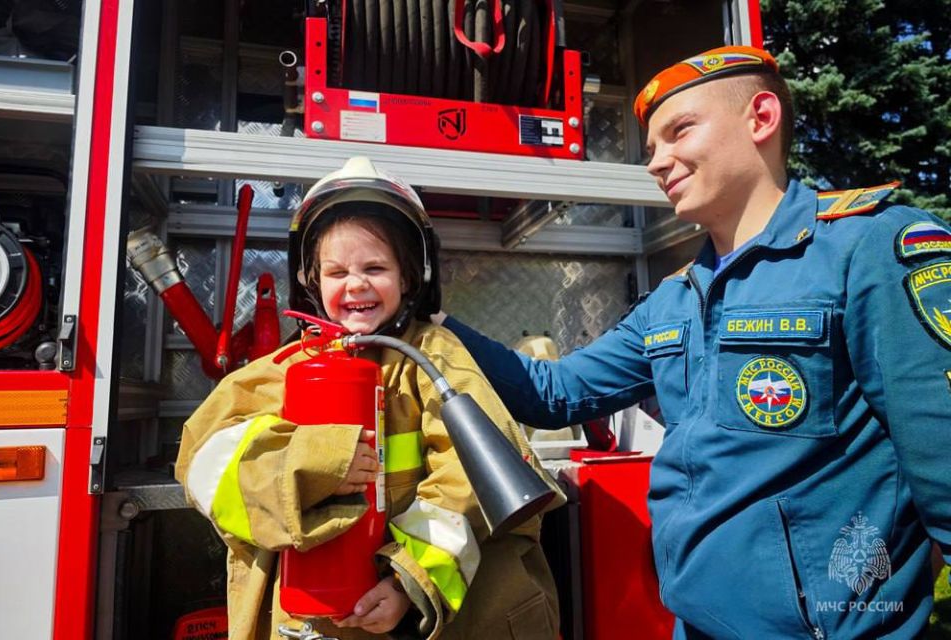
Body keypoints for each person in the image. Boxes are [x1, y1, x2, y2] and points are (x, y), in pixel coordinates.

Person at [434, 45, 951, 638]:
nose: (658, 162)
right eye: (651, 148)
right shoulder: (675, 299)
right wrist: (438, 320)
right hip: (694, 625)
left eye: (680, 132)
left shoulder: (869, 249)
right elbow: (552, 393)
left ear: (761, 118)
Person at [176, 156, 564, 640]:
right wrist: (309, 464)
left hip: (424, 613)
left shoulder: (434, 358)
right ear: (311, 282)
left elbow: (467, 484)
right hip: (315, 618)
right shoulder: (282, 370)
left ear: (411, 278)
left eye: (375, 267)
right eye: (336, 271)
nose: (355, 283)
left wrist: (407, 581)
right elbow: (204, 464)